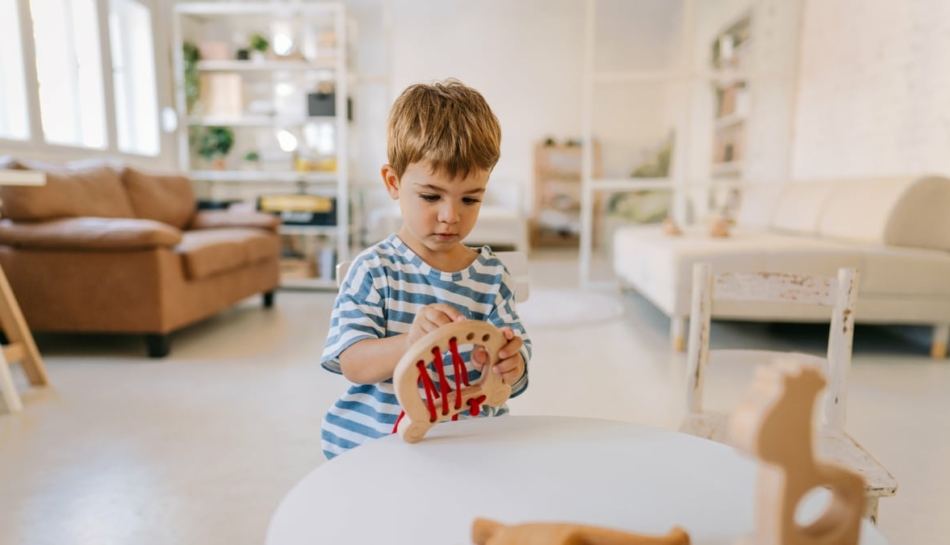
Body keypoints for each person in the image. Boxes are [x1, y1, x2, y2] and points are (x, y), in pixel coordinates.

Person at [319, 79, 531, 460]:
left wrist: (511, 364)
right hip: (378, 450)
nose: (451, 216)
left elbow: (513, 370)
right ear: (394, 182)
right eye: (431, 196)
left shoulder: (491, 276)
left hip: (471, 449)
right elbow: (351, 362)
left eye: (470, 198)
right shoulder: (374, 270)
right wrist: (409, 342)